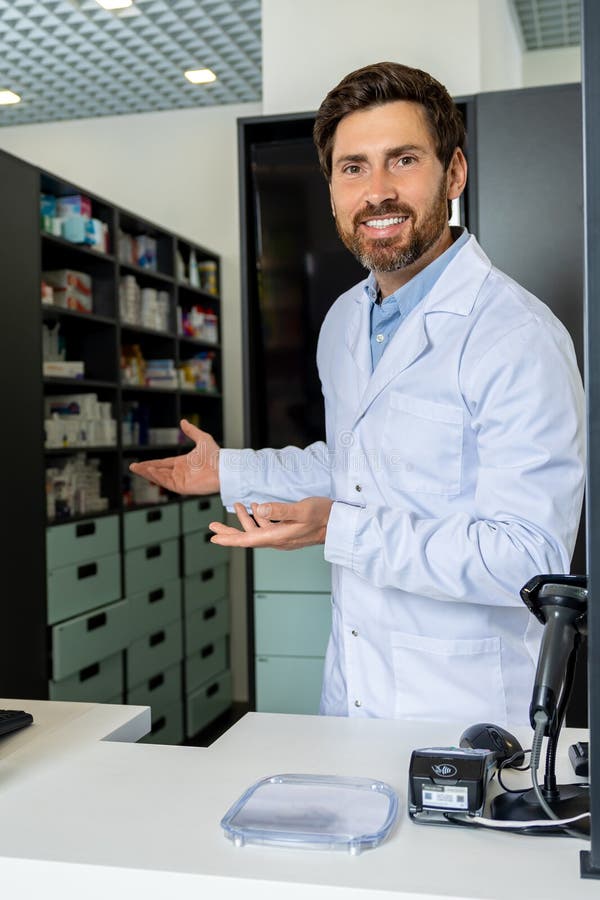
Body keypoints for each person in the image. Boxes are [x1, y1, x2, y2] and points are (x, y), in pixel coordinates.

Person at [131, 62, 585, 725]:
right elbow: (356, 467)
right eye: (353, 168)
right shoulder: (347, 318)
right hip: (353, 692)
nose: (377, 192)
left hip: (465, 710)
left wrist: (337, 527)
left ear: (453, 172)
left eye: (403, 160)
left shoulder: (516, 336)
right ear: (333, 188)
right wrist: (231, 469)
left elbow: (528, 559)